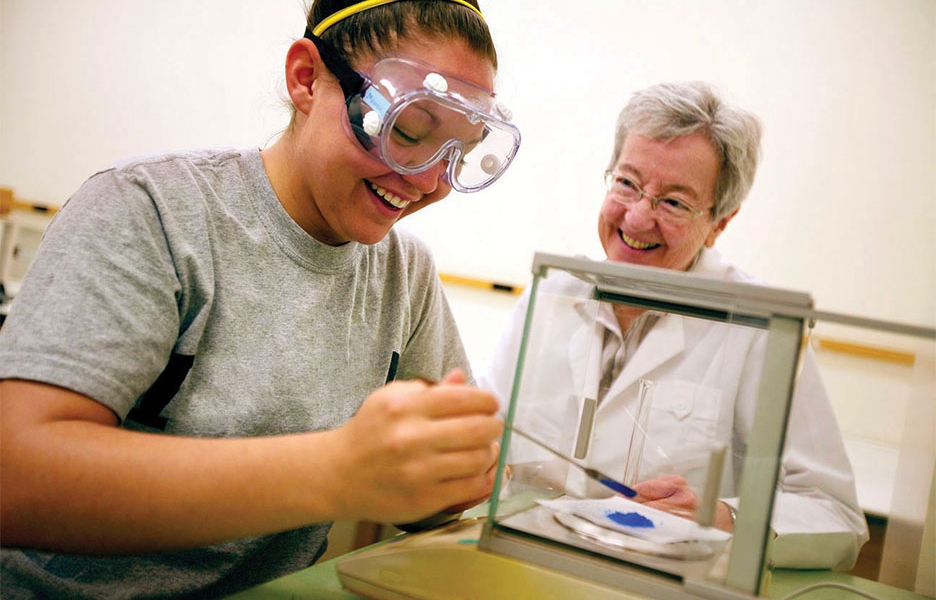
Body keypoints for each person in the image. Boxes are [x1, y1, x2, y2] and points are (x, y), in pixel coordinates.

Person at [0, 1, 520, 598]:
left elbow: (437, 502)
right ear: (306, 78)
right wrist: (337, 471)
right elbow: (17, 476)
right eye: (406, 130)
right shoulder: (151, 211)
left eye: (455, 151)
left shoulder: (405, 275)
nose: (427, 181)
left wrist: (458, 469)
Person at [480, 81, 869, 570]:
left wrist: (724, 515)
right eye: (627, 184)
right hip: (528, 565)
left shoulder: (758, 328)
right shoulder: (554, 292)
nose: (637, 218)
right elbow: (488, 437)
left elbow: (835, 516)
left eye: (674, 203)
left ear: (720, 222)